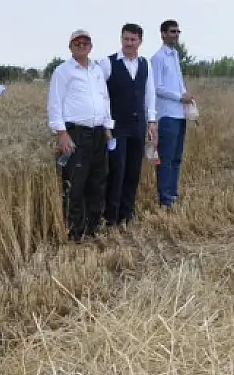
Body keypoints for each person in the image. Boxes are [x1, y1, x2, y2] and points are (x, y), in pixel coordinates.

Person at [48, 29, 114, 241]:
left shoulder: (96, 70)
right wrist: (62, 133)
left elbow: (104, 99)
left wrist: (107, 126)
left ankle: (93, 228)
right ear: (70, 47)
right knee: (75, 183)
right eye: (77, 43)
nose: (82, 45)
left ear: (91, 47)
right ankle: (75, 232)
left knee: (97, 180)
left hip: (97, 134)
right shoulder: (63, 72)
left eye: (85, 42)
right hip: (76, 133)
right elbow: (54, 103)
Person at [96, 23, 157, 227]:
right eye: (125, 39)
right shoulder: (107, 63)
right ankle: (111, 217)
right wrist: (106, 124)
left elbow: (150, 94)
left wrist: (151, 121)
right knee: (117, 171)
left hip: (138, 125)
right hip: (116, 127)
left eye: (133, 39)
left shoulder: (145, 64)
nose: (129, 43)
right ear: (121, 39)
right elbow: (99, 94)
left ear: (140, 41)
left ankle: (127, 214)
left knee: (133, 170)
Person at [151, 19, 191, 208]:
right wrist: (178, 97)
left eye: (177, 31)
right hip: (167, 115)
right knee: (165, 158)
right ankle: (165, 198)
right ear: (163, 34)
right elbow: (156, 88)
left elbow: (178, 83)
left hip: (180, 114)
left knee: (176, 157)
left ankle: (172, 194)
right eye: (172, 31)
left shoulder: (174, 55)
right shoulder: (158, 58)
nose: (176, 35)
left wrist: (187, 100)